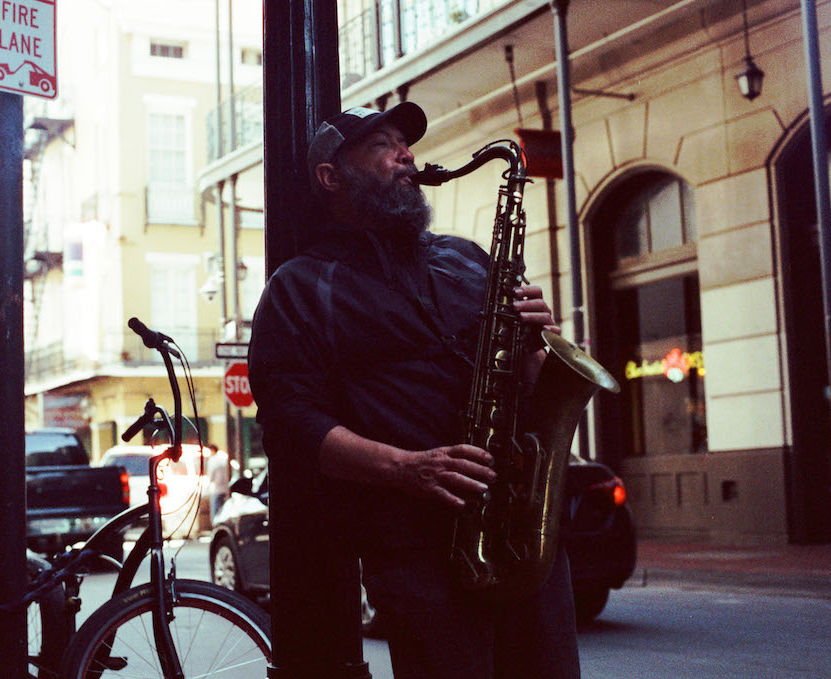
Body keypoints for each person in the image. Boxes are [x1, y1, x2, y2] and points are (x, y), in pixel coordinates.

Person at [248, 102, 578, 679]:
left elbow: (528, 384)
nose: (406, 155)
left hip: (520, 533)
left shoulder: (468, 259)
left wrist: (537, 342)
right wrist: (408, 468)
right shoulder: (299, 287)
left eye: (406, 143)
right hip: (416, 551)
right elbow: (291, 425)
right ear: (331, 176)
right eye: (382, 144)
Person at [207, 444, 230, 521]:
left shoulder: (212, 460)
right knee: (222, 509)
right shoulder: (223, 459)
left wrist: (208, 484)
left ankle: (215, 524)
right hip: (224, 488)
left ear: (212, 450)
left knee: (215, 510)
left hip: (216, 488)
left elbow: (211, 475)